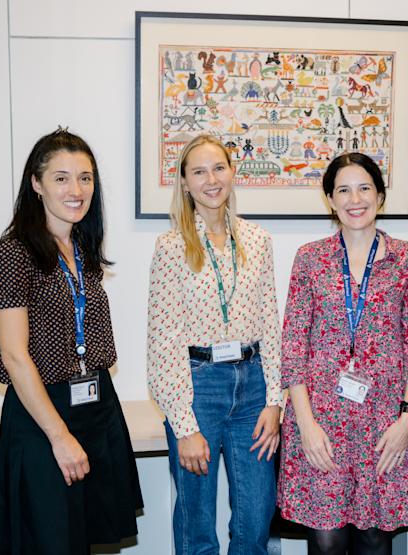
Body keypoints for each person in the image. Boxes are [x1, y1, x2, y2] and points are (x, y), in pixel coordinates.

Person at [0, 127, 143, 554]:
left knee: (86, 540)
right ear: (36, 184)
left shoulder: (83, 249)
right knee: (52, 543)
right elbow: (15, 357)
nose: (76, 190)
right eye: (61, 178)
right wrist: (59, 436)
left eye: (85, 178)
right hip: (44, 417)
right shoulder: (12, 253)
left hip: (95, 407)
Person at [279, 152, 408, 554]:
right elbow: (293, 343)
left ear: (380, 195)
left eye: (364, 187)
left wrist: (407, 419)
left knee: (374, 539)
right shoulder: (311, 259)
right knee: (326, 541)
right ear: (330, 199)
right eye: (343, 189)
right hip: (321, 422)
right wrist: (305, 425)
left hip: (385, 421)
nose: (354, 198)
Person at [147, 133, 281, 554]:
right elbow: (162, 339)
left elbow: (270, 325)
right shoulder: (171, 247)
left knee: (255, 522)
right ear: (184, 182)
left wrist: (274, 400)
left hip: (254, 387)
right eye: (199, 171)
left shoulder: (258, 240)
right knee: (197, 525)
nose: (211, 179)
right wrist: (184, 426)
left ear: (233, 173)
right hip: (197, 388)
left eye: (218, 168)